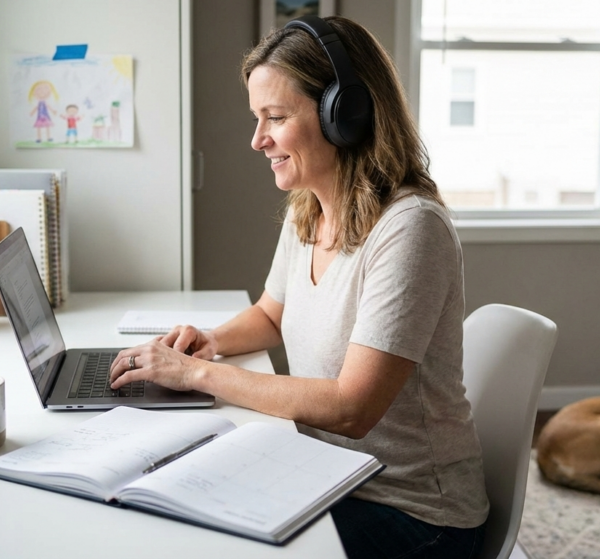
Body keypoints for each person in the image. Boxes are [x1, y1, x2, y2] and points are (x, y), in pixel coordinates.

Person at [110, 16, 488, 559]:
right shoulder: (309, 207)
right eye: (256, 118)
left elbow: (351, 407)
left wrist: (196, 374)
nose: (258, 139)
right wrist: (208, 342)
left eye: (276, 117)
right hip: (329, 476)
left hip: (416, 514)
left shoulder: (411, 229)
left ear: (345, 113)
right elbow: (270, 315)